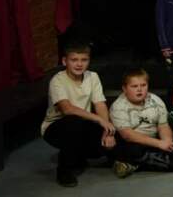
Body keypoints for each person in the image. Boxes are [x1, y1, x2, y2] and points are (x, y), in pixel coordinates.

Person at [40, 42, 116, 187]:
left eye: (84, 60)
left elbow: (100, 104)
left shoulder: (92, 77)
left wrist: (107, 131)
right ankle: (64, 171)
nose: (79, 64)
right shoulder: (57, 80)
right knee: (73, 122)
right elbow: (67, 109)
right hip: (56, 128)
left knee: (111, 138)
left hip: (83, 123)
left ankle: (81, 156)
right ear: (65, 61)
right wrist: (99, 120)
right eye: (74, 60)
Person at [110, 68, 173, 178]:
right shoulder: (118, 106)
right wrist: (159, 144)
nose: (139, 89)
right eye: (134, 86)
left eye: (143, 85)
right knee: (132, 151)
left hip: (154, 140)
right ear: (124, 89)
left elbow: (163, 125)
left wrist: (167, 142)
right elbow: (127, 135)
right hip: (133, 142)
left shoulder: (155, 100)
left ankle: (133, 165)